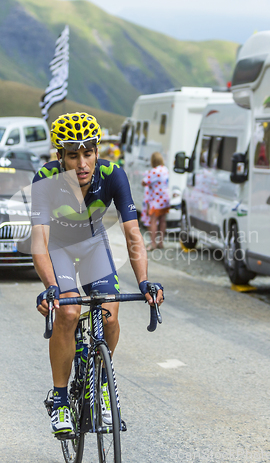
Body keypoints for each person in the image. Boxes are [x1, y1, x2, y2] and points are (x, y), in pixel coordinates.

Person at [31, 112, 164, 438]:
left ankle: (101, 384)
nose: (82, 163)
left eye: (88, 152)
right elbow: (40, 243)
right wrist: (51, 288)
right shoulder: (44, 179)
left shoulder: (113, 174)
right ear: (59, 155)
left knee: (108, 313)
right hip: (58, 248)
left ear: (96, 151)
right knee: (70, 310)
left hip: (93, 246)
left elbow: (134, 235)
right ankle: (60, 400)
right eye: (73, 155)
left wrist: (145, 282)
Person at [141, 151, 170, 250]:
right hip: (165, 199)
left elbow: (144, 182)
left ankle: (153, 243)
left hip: (156, 199)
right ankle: (160, 242)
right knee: (163, 221)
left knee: (153, 220)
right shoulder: (165, 169)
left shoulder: (154, 171)